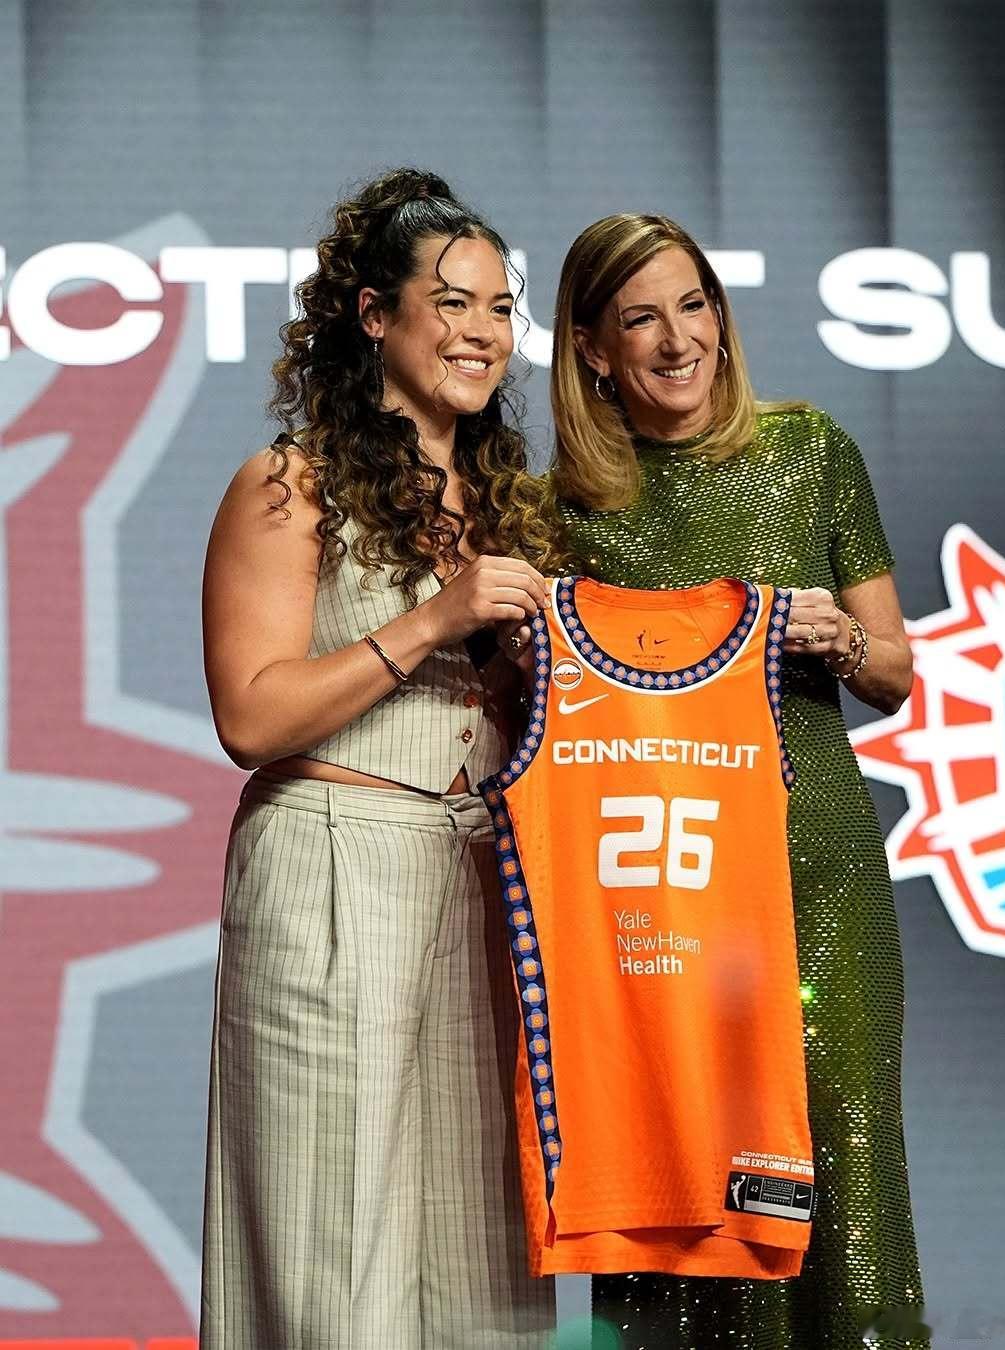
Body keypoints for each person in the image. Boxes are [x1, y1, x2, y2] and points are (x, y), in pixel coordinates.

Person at [540, 212, 928, 1349]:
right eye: (641, 319)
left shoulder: (812, 452)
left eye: (694, 306)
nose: (679, 341)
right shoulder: (560, 508)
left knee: (847, 1144)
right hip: (664, 887)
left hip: (817, 872)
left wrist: (841, 641)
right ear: (592, 348)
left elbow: (896, 673)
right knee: (680, 1156)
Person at [199, 167, 559, 1350]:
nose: (482, 332)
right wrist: (434, 620)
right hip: (333, 864)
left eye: (500, 307)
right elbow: (251, 716)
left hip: (483, 886)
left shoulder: (512, 506)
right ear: (373, 315)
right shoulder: (288, 485)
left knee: (481, 1270)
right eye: (451, 303)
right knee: (331, 1249)